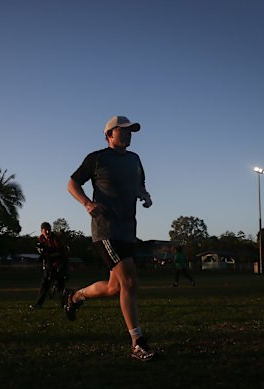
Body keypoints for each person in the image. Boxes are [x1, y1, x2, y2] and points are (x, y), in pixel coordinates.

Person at [65, 115, 155, 361]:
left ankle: (75, 296)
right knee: (129, 282)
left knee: (115, 287)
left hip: (128, 230)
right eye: (123, 130)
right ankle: (137, 342)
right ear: (109, 135)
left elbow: (139, 185)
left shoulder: (135, 160)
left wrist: (144, 196)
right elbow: (72, 183)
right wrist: (87, 203)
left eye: (131, 131)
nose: (128, 134)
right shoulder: (97, 158)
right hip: (106, 229)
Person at [30, 222, 68, 309]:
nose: (47, 232)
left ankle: (65, 304)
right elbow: (40, 249)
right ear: (41, 231)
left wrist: (49, 254)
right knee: (44, 284)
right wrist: (40, 250)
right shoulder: (41, 239)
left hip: (60, 262)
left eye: (49, 230)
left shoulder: (55, 239)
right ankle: (38, 304)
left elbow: (61, 253)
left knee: (60, 286)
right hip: (49, 263)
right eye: (45, 230)